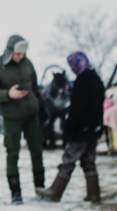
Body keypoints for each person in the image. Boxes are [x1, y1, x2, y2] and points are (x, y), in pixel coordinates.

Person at [0, 34, 45, 204]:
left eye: (23, 54)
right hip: (11, 117)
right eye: (18, 54)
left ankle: (41, 188)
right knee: (12, 153)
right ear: (10, 51)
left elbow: (35, 88)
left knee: (37, 151)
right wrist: (7, 94)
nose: (21, 57)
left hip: (31, 114)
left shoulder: (28, 64)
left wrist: (42, 107)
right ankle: (15, 193)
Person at [37, 51, 103, 203]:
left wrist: (69, 130)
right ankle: (93, 193)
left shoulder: (82, 81)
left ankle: (55, 191)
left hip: (81, 130)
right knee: (88, 161)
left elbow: (77, 110)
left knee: (68, 159)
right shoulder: (96, 79)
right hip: (94, 130)